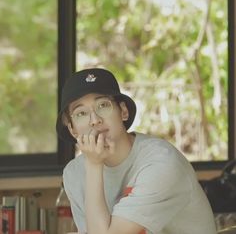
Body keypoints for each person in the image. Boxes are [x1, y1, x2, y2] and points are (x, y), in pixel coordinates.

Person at [56, 68, 217, 234]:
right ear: (72, 130)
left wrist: (94, 164)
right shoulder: (74, 174)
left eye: (103, 105)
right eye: (81, 113)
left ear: (123, 111)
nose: (95, 120)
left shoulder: (161, 163)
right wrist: (93, 165)